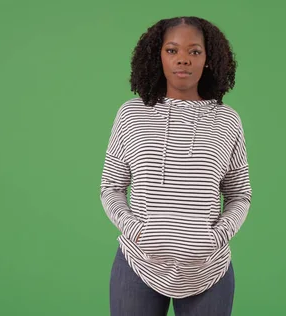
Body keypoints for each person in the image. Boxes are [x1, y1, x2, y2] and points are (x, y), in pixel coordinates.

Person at [100, 16, 252, 316]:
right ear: (158, 56)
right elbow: (111, 187)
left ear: (209, 59)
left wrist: (216, 238)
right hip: (138, 264)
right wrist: (136, 232)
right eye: (172, 50)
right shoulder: (132, 115)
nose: (183, 59)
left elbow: (239, 195)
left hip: (209, 270)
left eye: (194, 51)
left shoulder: (227, 121)